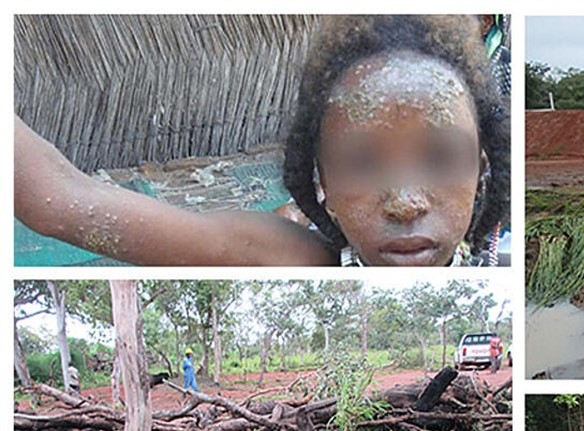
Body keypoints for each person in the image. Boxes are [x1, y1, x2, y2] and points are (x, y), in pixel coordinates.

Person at [15, 15, 509, 267]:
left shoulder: (501, 256)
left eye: (441, 157)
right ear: (323, 181)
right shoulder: (297, 260)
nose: (405, 203)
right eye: (362, 162)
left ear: (482, 166)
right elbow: (65, 202)